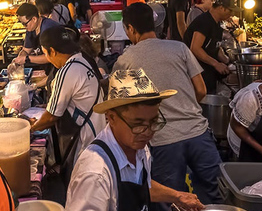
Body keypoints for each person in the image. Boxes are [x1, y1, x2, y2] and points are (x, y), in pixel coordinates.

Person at [116, 4, 223, 207]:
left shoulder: (125, 60)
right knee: (213, 195)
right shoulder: (179, 47)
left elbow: (125, 107)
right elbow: (200, 89)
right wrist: (184, 106)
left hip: (163, 141)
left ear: (130, 28)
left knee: (168, 201)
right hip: (198, 134)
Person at [65, 69, 203, 211]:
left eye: (153, 122)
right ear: (111, 117)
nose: (148, 132)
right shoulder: (95, 174)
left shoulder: (139, 147)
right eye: (138, 124)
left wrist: (177, 196)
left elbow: (141, 186)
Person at [29, 27, 105, 172]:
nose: (49, 59)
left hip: (83, 144)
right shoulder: (82, 60)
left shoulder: (66, 71)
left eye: (46, 54)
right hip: (96, 137)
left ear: (52, 51)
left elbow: (51, 117)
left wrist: (31, 129)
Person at [182, 0, 233, 94]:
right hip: (195, 74)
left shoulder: (216, 22)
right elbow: (195, 48)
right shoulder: (204, 22)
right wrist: (216, 64)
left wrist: (228, 62)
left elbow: (214, 46)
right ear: (222, 8)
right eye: (230, 10)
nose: (231, 14)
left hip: (207, 72)